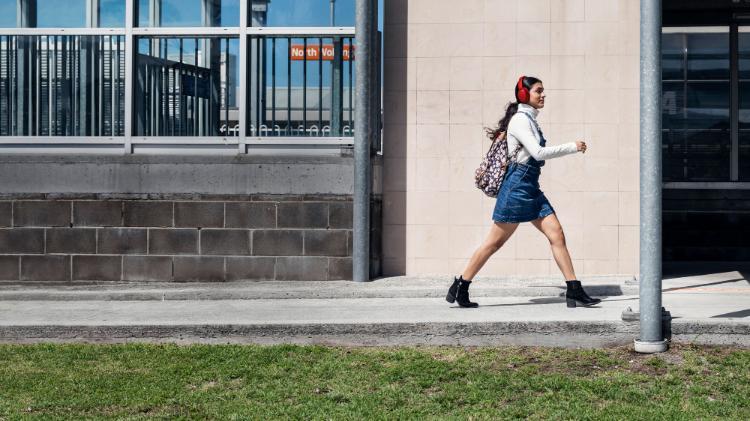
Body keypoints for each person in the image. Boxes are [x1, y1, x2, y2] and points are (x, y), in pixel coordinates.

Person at [446, 75, 602, 309]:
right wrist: (572, 146)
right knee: (494, 243)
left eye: (543, 91)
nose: (543, 95)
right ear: (524, 94)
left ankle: (574, 289)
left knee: (556, 235)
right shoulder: (520, 120)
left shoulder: (529, 119)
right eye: (538, 91)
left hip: (530, 186)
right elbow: (538, 153)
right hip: (517, 188)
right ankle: (461, 285)